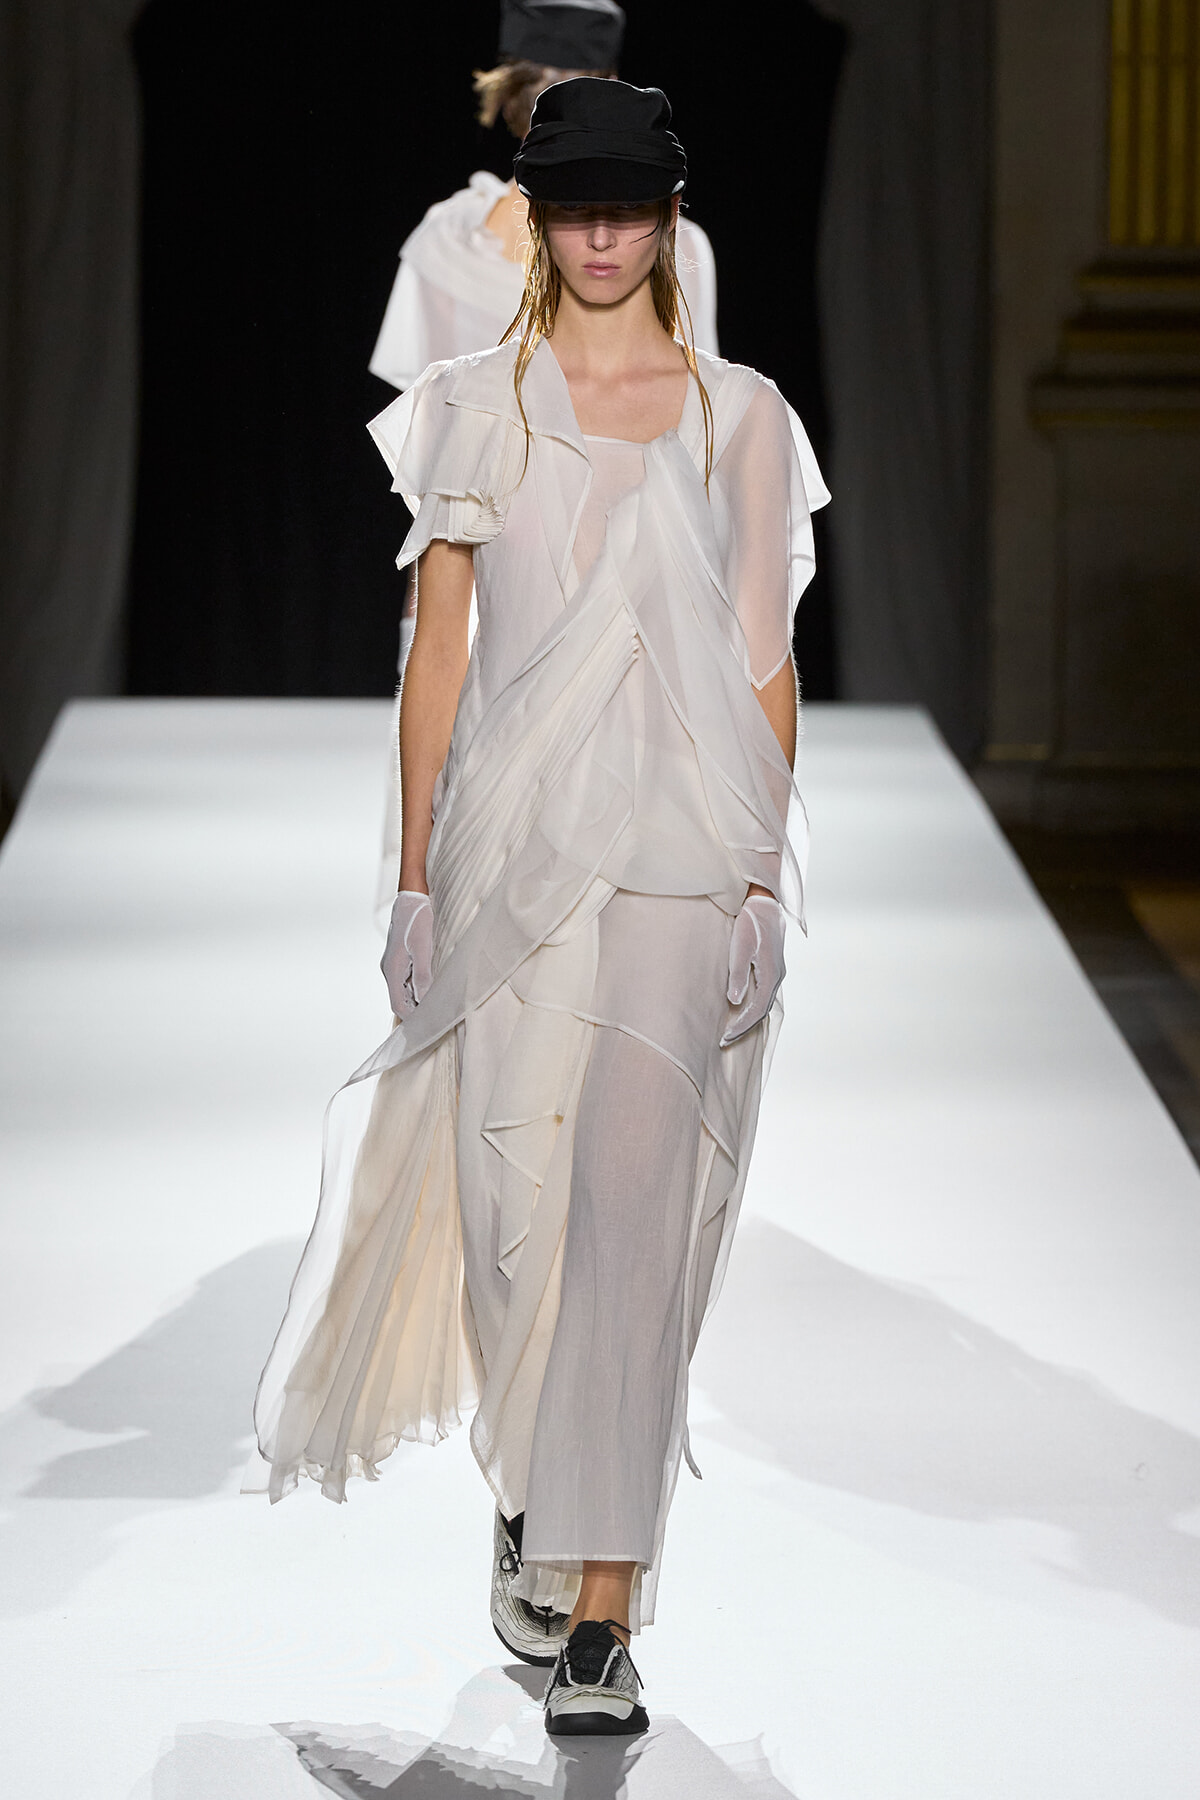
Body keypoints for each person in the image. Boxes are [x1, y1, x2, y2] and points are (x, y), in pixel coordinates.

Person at [251, 77, 829, 1739]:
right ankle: (532, 1478)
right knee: (516, 1230)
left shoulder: (743, 421)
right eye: (570, 201)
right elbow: (436, 652)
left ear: (666, 217)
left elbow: (765, 665)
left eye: (624, 204)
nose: (596, 233)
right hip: (511, 855)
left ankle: (601, 1608)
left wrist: (764, 874)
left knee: (634, 1225)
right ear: (536, 207)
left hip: (676, 854)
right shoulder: (472, 403)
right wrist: (420, 871)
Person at [368, 0, 719, 395]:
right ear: (613, 88)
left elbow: (421, 420)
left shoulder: (444, 238)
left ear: (507, 90)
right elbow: (699, 404)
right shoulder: (671, 238)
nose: (599, 237)